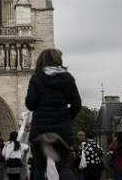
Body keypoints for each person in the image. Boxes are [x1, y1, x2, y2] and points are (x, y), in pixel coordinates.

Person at [24, 48, 82, 180]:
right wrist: (67, 117)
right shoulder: (67, 78)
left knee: (39, 167)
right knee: (63, 167)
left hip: (41, 130)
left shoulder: (36, 78)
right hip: (62, 130)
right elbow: (77, 104)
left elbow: (30, 104)